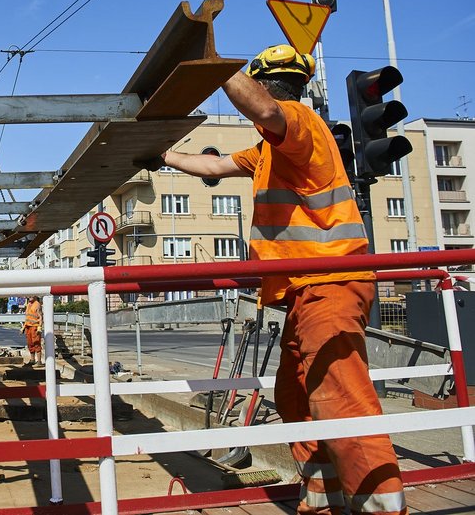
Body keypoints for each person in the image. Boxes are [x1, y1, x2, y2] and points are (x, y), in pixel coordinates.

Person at [160, 44, 405, 515]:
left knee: (341, 399)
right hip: (305, 289)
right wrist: (164, 157)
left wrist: (212, 66)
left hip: (330, 280)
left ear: (262, 83)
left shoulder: (299, 122)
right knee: (294, 396)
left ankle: (382, 508)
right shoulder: (268, 150)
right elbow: (213, 166)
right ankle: (323, 497)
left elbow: (268, 109)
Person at [21, 295, 42, 366]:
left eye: (32, 295)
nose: (30, 296)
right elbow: (27, 317)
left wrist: (39, 327)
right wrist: (23, 327)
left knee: (36, 343)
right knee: (30, 344)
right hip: (28, 326)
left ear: (35, 296)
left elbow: (41, 317)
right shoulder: (29, 304)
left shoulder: (37, 304)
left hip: (34, 327)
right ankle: (32, 360)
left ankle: (39, 362)